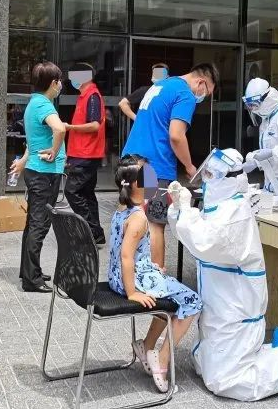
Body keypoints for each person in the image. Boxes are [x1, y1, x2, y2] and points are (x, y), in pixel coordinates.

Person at [166, 148, 278, 401]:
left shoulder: (235, 212)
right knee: (207, 365)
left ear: (229, 178)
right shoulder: (218, 206)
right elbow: (189, 235)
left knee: (226, 382)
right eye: (206, 174)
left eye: (211, 175)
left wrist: (186, 210)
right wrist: (177, 209)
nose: (206, 180)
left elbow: (205, 242)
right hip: (219, 302)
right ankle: (276, 350)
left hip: (237, 306)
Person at [109, 155, 202, 393]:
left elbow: (128, 253)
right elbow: (126, 256)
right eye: (148, 176)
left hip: (120, 277)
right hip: (131, 280)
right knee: (192, 301)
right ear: (135, 184)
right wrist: (132, 292)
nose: (154, 179)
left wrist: (150, 268)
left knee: (168, 292)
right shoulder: (139, 218)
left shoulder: (123, 208)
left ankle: (146, 345)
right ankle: (161, 358)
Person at [122, 63, 219, 268]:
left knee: (130, 218)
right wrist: (190, 166)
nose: (203, 97)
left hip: (130, 160)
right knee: (154, 224)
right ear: (201, 82)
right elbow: (176, 136)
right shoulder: (185, 94)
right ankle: (156, 277)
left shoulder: (162, 85)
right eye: (207, 92)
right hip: (153, 166)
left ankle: (128, 273)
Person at [11, 62, 66, 294]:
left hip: (37, 171)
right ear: (53, 83)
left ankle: (29, 271)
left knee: (33, 224)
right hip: (44, 173)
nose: (61, 85)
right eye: (59, 81)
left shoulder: (34, 103)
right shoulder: (44, 105)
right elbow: (60, 129)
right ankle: (31, 279)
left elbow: (33, 142)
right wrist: (54, 150)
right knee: (39, 225)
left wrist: (23, 161)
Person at [63, 63, 106, 245]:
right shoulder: (85, 96)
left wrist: (69, 127)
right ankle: (96, 234)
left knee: (72, 191)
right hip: (82, 153)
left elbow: (94, 125)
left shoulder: (92, 96)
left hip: (86, 154)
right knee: (87, 194)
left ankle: (89, 231)